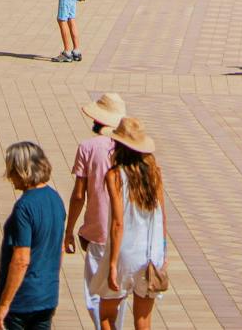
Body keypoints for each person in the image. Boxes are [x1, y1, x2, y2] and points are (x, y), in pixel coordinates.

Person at [0, 139, 65, 330]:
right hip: (47, 296)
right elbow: (59, 248)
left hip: (22, 299)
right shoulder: (55, 199)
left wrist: (3, 305)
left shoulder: (24, 207)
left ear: (22, 170)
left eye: (11, 169)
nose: (9, 175)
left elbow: (21, 259)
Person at [65, 90, 125, 329]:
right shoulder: (129, 148)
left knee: (94, 296)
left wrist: (69, 229)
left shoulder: (87, 147)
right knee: (116, 294)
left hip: (98, 230)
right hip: (126, 232)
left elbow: (79, 195)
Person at [104, 116, 167, 328]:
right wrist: (163, 252)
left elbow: (118, 223)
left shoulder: (114, 175)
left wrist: (112, 264)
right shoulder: (155, 173)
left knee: (106, 315)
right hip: (151, 254)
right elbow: (162, 216)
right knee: (143, 320)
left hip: (125, 253)